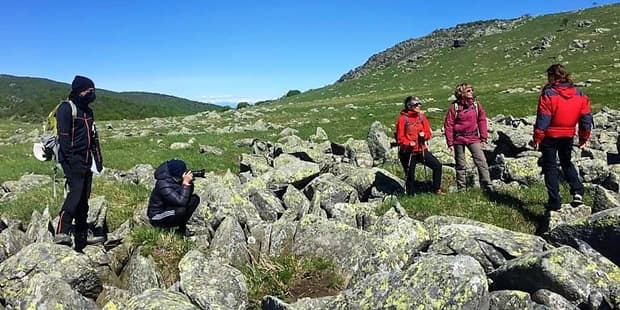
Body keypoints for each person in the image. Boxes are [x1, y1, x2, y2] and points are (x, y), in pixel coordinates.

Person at [53, 75, 104, 252]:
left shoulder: (88, 112)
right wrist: (72, 161)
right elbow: (64, 137)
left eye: (93, 91)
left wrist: (98, 160)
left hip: (86, 161)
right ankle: (61, 231)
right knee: (75, 195)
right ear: (79, 91)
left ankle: (82, 235)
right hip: (72, 161)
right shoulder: (66, 108)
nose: (92, 94)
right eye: (89, 90)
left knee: (84, 198)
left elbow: (94, 137)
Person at [533, 64, 592, 212]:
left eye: (549, 76)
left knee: (550, 167)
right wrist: (584, 138)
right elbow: (586, 118)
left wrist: (537, 138)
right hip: (568, 135)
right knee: (566, 163)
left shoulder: (549, 93)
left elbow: (543, 118)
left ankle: (555, 201)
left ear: (553, 76)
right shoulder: (579, 93)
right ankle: (577, 192)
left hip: (550, 136)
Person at [443, 83, 492, 192]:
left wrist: (483, 138)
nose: (472, 92)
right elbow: (448, 125)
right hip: (458, 139)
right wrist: (450, 143)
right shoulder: (454, 107)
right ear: (462, 93)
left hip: (473, 137)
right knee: (460, 165)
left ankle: (487, 187)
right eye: (468, 91)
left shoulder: (476, 105)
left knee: (482, 162)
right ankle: (462, 189)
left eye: (472, 90)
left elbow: (482, 120)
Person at [395, 96, 444, 196]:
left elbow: (428, 133)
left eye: (419, 104)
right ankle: (410, 194)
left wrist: (424, 135)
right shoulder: (403, 119)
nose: (419, 106)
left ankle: (436, 189)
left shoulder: (421, 117)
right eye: (416, 104)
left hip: (421, 149)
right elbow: (400, 137)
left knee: (437, 165)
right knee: (410, 175)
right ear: (409, 106)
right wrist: (408, 143)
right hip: (407, 152)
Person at [148, 159, 200, 237]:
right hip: (157, 215)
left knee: (194, 199)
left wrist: (189, 183)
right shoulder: (163, 184)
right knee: (181, 210)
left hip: (170, 207)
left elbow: (187, 196)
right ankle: (165, 229)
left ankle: (181, 228)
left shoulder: (176, 179)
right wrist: (185, 183)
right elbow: (181, 201)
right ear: (177, 173)